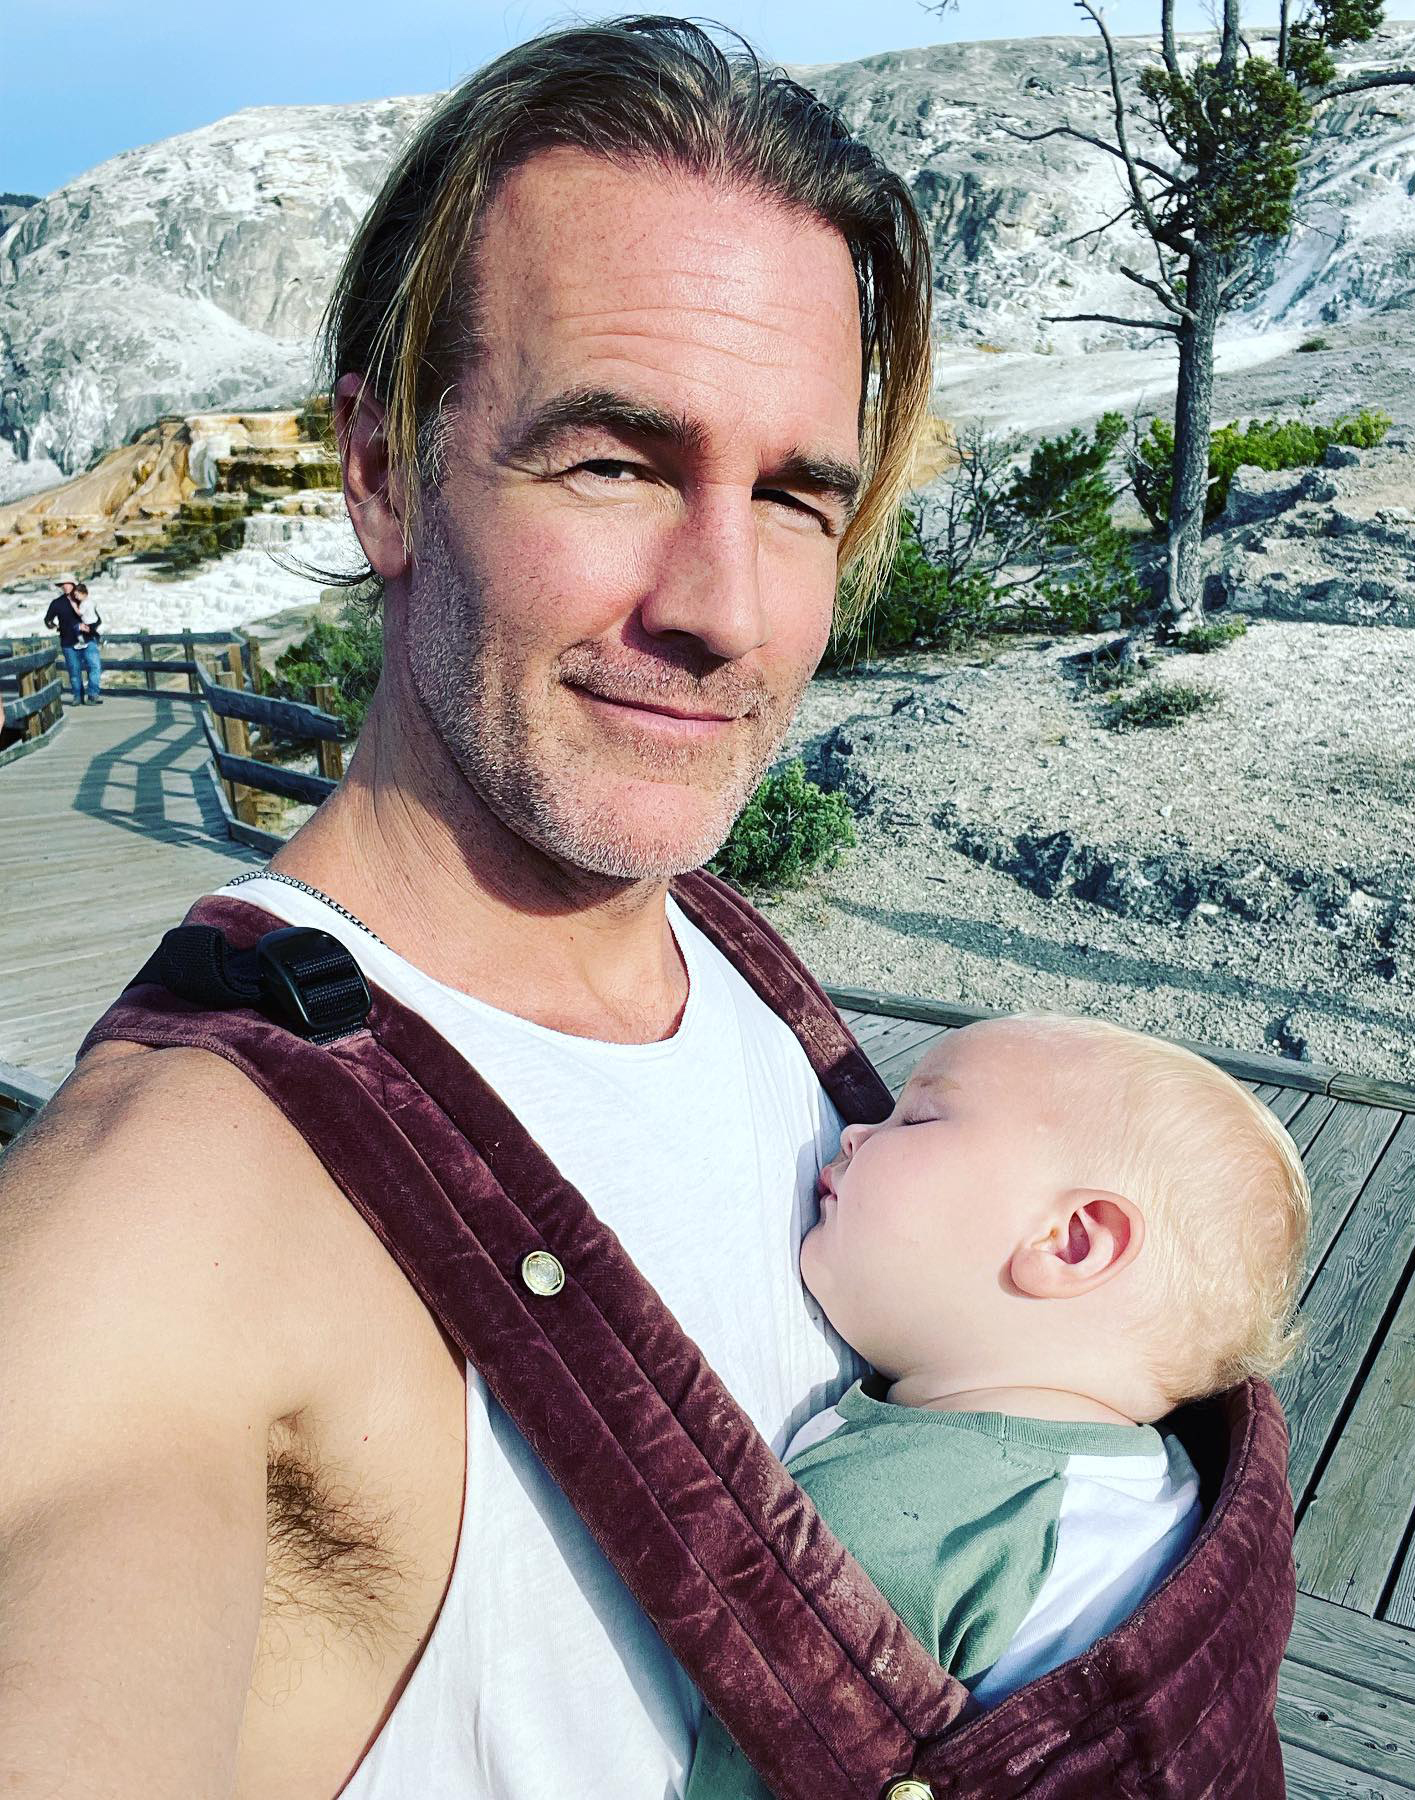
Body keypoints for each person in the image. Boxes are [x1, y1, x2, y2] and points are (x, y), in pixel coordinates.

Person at [0, 20, 934, 1799]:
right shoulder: (165, 1216)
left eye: (794, 499)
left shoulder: (734, 970)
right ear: (380, 473)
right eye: (614, 464)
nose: (725, 612)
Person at [685, 1014, 1311, 1799]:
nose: (852, 1133)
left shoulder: (890, 1533)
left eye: (918, 1117)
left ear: (1070, 1243)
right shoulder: (1173, 1486)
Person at [43, 575, 102, 704]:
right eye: (62, 584)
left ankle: (93, 695)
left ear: (73, 584)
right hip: (68, 642)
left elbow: (97, 620)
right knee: (74, 672)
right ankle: (77, 697)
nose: (65, 586)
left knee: (95, 667)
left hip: (88, 639)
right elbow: (47, 620)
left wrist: (90, 628)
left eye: (67, 583)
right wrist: (54, 626)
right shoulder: (57, 603)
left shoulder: (84, 600)